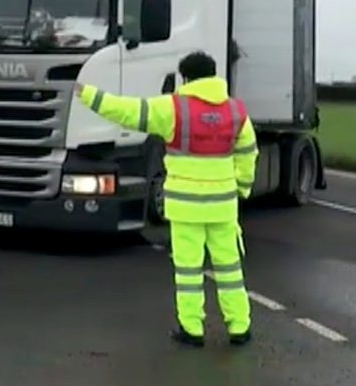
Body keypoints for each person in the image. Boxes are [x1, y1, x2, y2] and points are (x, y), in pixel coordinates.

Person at [75, 51, 258, 347]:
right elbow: (248, 153)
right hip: (223, 207)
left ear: (185, 78)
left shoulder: (174, 109)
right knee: (230, 269)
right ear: (213, 75)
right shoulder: (236, 112)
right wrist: (242, 187)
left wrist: (88, 95)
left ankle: (192, 329)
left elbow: (127, 111)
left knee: (188, 271)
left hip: (186, 208)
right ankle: (239, 327)